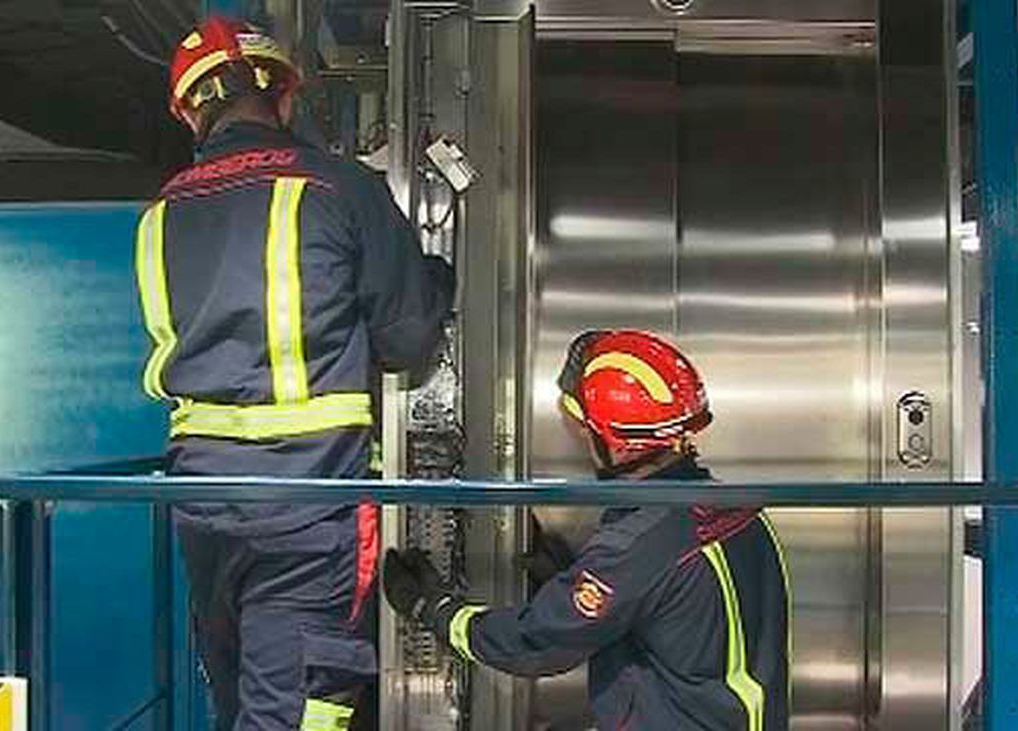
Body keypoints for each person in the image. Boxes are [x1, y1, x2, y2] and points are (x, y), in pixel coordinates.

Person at [134, 15, 453, 731]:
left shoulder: (159, 214)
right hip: (308, 507)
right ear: (283, 98)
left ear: (190, 110)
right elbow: (406, 341)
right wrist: (434, 281)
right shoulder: (337, 187)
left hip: (203, 506)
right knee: (300, 712)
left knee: (239, 702)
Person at [384, 330, 791, 730]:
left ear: (617, 444)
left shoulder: (635, 547)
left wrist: (433, 608)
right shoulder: (740, 509)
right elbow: (681, 616)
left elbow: (536, 643)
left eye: (579, 425)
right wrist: (575, 579)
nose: (576, 437)